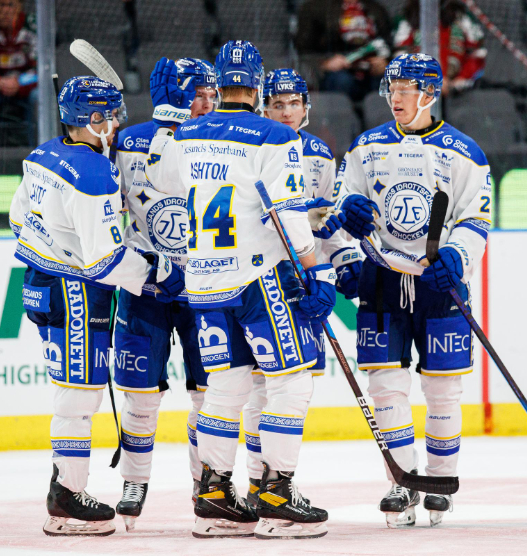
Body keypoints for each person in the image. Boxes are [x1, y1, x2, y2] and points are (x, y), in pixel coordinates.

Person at [146, 40, 335, 539]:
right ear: (257, 85)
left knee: (227, 386)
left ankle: (213, 496)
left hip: (204, 281)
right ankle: (275, 494)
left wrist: (167, 119)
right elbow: (289, 217)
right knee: (290, 380)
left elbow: (157, 175)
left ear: (218, 82)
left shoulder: (186, 133)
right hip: (257, 278)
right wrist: (315, 271)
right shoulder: (275, 136)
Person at [320, 52, 491, 527]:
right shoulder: (364, 147)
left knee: (443, 391)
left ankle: (440, 482)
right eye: (391, 89)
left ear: (430, 93)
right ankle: (402, 481)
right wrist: (349, 256)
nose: (395, 98)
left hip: (438, 284)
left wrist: (456, 258)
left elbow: (476, 217)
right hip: (382, 281)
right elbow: (339, 214)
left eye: (405, 90)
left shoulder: (465, 151)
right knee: (386, 388)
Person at [9, 75, 184, 536]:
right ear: (92, 118)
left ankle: (64, 488)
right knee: (79, 392)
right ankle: (66, 497)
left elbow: (17, 218)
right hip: (76, 293)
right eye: (110, 113)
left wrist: (59, 249)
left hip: (40, 280)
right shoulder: (93, 172)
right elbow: (105, 259)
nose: (117, 122)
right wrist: (157, 274)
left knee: (72, 390)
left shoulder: (43, 153)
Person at [239, 67, 362, 508]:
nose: (287, 112)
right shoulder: (252, 143)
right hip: (261, 279)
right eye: (277, 104)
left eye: (294, 104)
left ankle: (276, 482)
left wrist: (341, 264)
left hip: (304, 278)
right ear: (263, 106)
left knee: (294, 387)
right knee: (261, 385)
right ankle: (260, 484)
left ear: (306, 108)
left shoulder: (318, 154)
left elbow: (327, 226)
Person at [109, 57, 218, 532]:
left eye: (213, 95)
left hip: (205, 288)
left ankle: (206, 483)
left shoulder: (219, 141)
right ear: (175, 92)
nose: (208, 103)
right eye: (199, 93)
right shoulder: (129, 141)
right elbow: (108, 210)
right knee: (140, 395)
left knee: (209, 394)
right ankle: (134, 483)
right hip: (146, 286)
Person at [295, 0, 392, 107]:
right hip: (334, 73)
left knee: (390, 82)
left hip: (371, 70)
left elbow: (389, 44)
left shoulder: (376, 8)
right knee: (343, 81)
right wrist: (324, 63)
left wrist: (385, 62)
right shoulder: (315, 7)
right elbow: (303, 50)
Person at [393, 0, 487, 95]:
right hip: (417, 91)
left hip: (458, 90)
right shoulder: (407, 17)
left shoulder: (462, 17)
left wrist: (461, 79)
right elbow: (400, 56)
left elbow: (477, 53)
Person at [0, 0, 37, 147]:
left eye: (10, 5)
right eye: (1, 4)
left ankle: (40, 154)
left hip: (27, 87)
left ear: (20, 6)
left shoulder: (34, 26)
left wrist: (19, 83)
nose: (5, 10)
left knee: (38, 97)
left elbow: (41, 66)